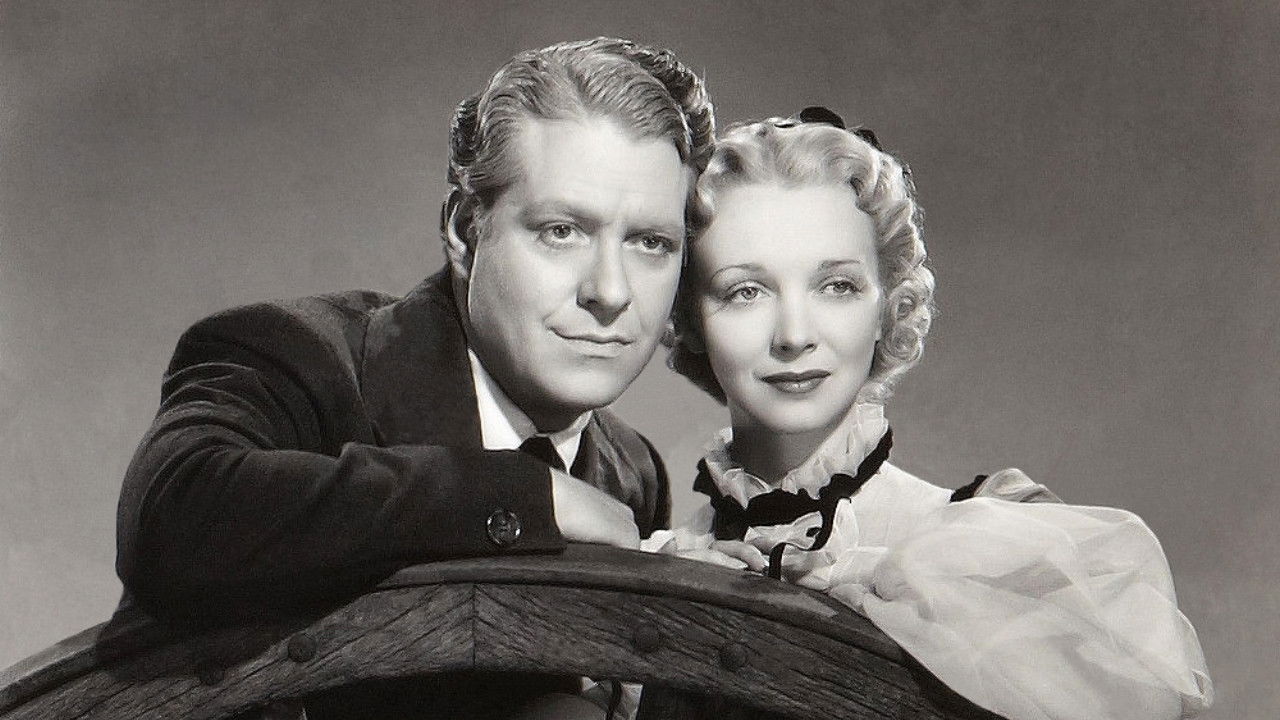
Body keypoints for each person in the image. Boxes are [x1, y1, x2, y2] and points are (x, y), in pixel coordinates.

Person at [113, 37, 713, 718]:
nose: (610, 291)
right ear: (464, 230)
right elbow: (173, 517)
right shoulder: (291, 356)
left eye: (650, 243)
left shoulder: (633, 471)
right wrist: (523, 495)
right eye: (561, 231)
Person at [649, 109, 1213, 720]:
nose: (794, 334)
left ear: (888, 306)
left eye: (837, 286)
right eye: (745, 291)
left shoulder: (1001, 557)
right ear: (690, 318)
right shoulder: (655, 560)